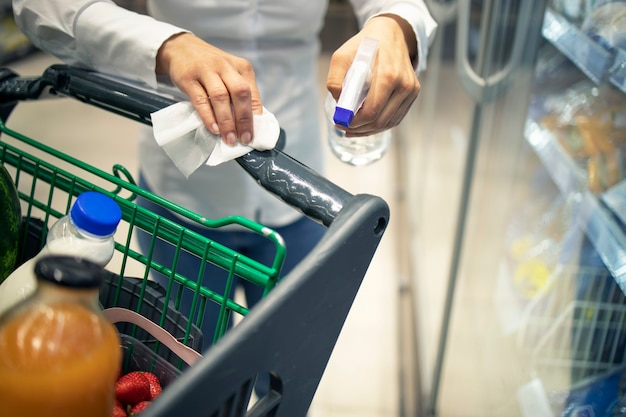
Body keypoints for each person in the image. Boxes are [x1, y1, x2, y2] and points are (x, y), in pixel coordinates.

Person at [12, 0, 437, 350]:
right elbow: (41, 6)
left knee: (285, 355)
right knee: (191, 357)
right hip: (183, 194)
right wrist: (168, 46)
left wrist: (395, 24)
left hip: (297, 187)